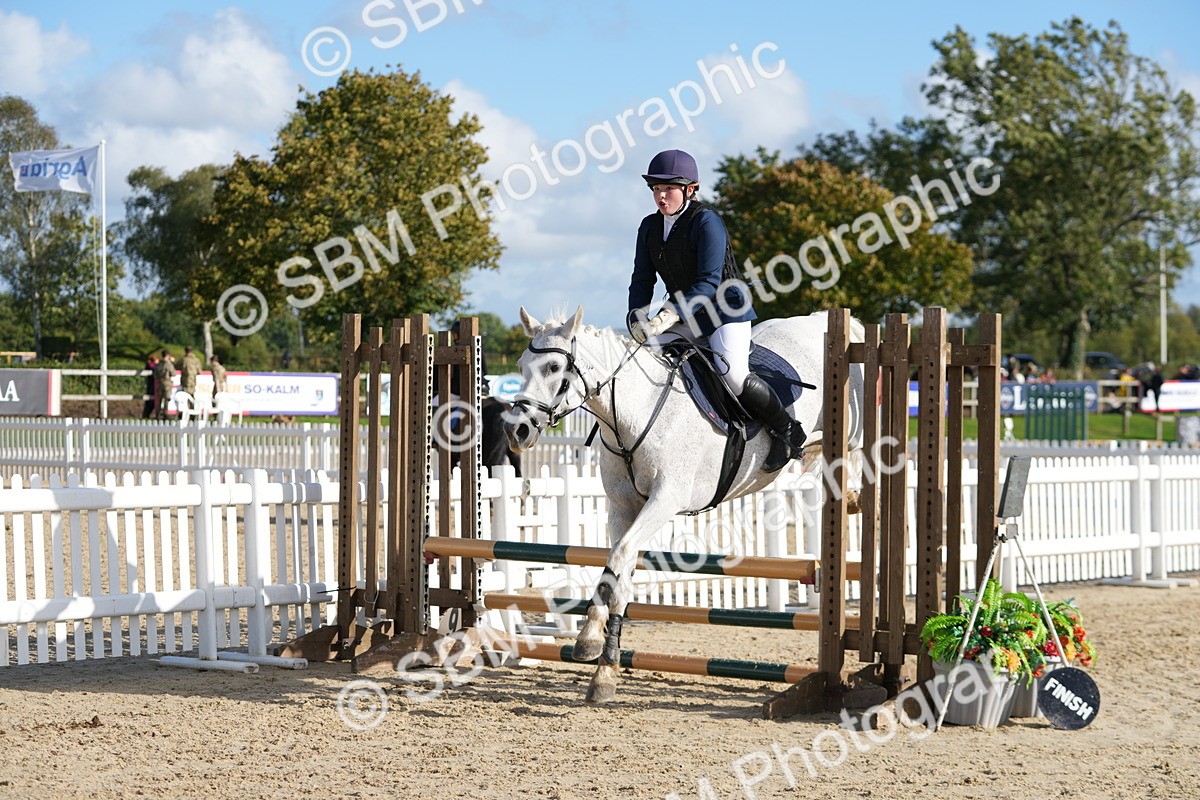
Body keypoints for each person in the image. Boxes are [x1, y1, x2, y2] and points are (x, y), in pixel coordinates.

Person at [626, 149, 799, 473]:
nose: (661, 196)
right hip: (686, 315)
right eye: (656, 189)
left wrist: (668, 315)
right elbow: (642, 278)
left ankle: (787, 430)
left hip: (725, 311)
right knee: (645, 360)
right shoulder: (649, 227)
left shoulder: (706, 221)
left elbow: (708, 282)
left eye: (668, 189)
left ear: (690, 189)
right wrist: (636, 316)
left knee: (732, 374)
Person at [154, 349, 175, 419]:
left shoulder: (158, 364)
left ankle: (158, 414)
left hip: (160, 383)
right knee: (166, 400)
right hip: (167, 383)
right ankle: (165, 415)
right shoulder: (168, 364)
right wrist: (172, 362)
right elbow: (173, 373)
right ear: (168, 355)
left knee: (159, 400)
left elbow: (155, 374)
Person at [142, 353, 159, 419]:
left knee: (151, 402)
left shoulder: (151, 365)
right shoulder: (151, 366)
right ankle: (146, 415)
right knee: (150, 402)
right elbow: (155, 368)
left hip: (152, 386)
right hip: (152, 386)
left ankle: (146, 416)